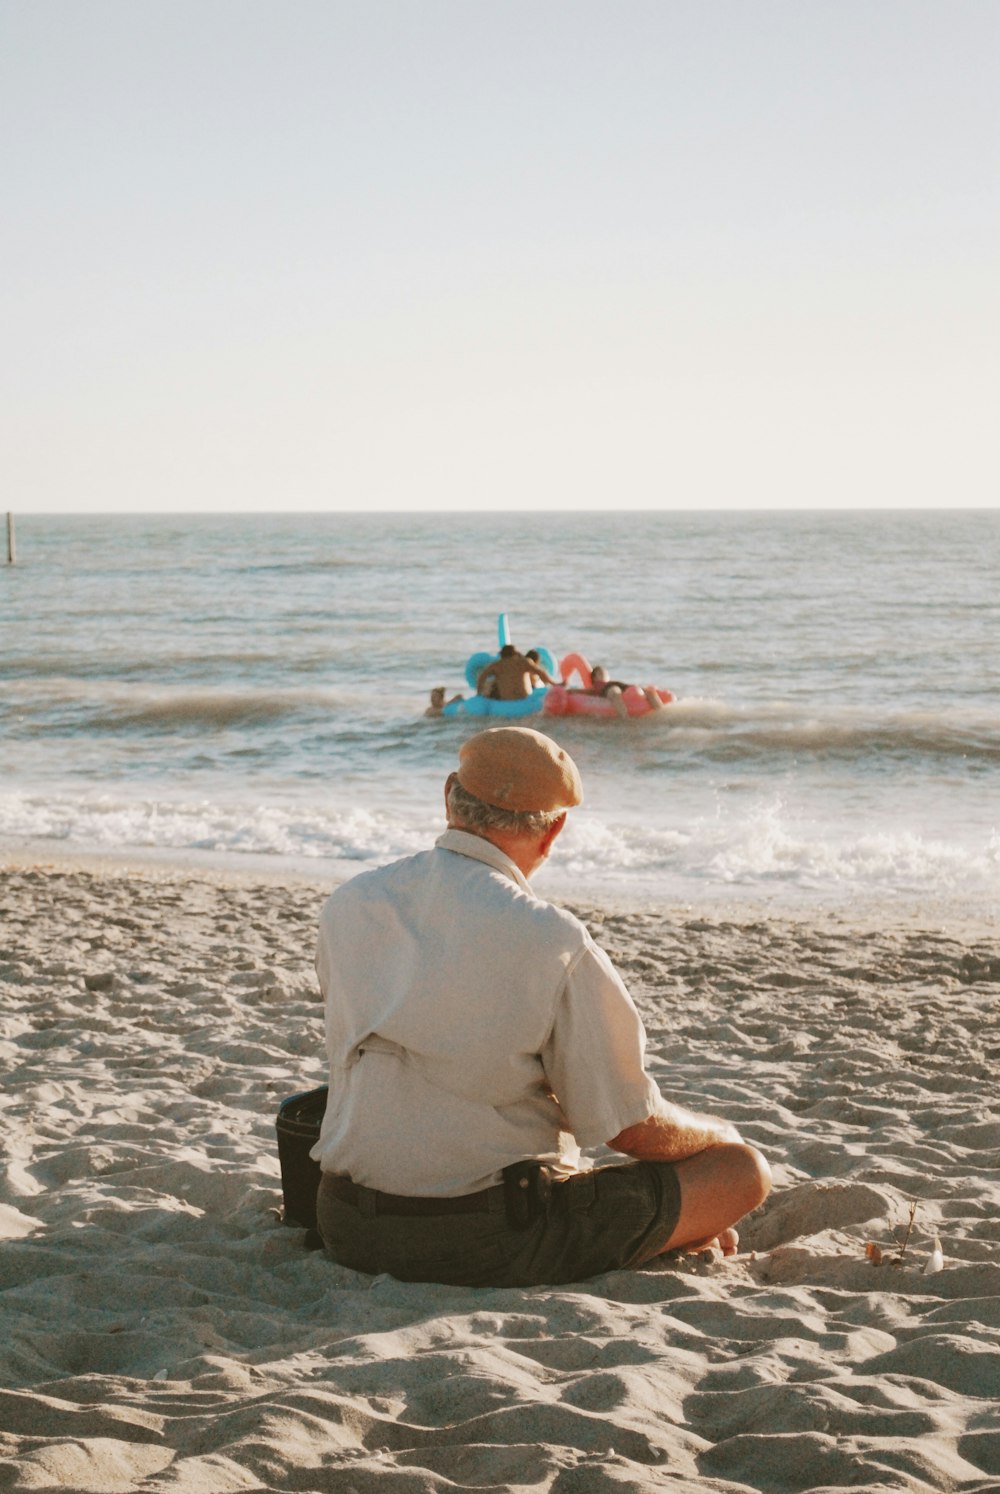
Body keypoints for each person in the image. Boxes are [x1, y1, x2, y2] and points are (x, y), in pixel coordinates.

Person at [311, 726, 770, 1287]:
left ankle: (678, 1226)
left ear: (449, 795)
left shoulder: (351, 901)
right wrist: (717, 1134)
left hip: (345, 1223)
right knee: (741, 1171)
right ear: (554, 830)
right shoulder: (552, 940)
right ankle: (684, 1224)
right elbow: (630, 1129)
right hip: (481, 1238)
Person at [476, 644, 560, 701]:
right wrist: (554, 684)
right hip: (523, 698)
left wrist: (479, 693)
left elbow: (481, 678)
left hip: (506, 700)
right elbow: (541, 672)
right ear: (515, 654)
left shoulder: (496, 665)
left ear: (502, 655)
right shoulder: (523, 662)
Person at [583, 664, 666, 720]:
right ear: (594, 678)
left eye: (605, 673)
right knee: (615, 693)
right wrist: (570, 691)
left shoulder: (611, 681)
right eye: (600, 673)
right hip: (609, 688)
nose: (604, 675)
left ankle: (662, 713)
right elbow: (585, 692)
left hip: (621, 685)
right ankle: (625, 718)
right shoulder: (597, 686)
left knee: (649, 692)